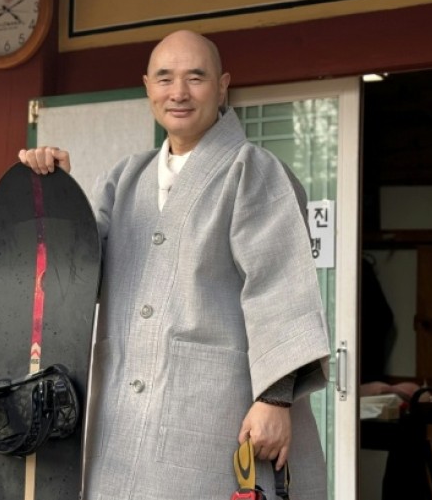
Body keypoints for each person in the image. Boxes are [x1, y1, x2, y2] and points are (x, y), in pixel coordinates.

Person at [19, 30, 330, 499]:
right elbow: (79, 278)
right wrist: (55, 192)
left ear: (222, 86)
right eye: (164, 79)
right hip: (121, 422)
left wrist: (275, 399)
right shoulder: (125, 179)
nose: (178, 93)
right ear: (148, 87)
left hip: (217, 414)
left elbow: (279, 287)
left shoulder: (252, 170)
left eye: (195, 78)